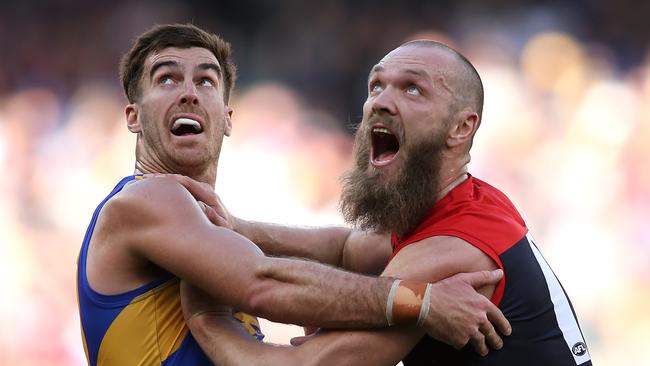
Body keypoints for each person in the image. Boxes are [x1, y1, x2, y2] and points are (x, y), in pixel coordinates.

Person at [76, 24, 511, 366]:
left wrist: (243, 229)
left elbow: (345, 248)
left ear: (227, 118)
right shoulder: (145, 201)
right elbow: (263, 284)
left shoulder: (203, 229)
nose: (189, 92)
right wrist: (421, 301)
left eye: (206, 82)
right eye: (167, 79)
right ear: (133, 116)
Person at [176, 40, 592, 365]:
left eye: (412, 88)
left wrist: (206, 321)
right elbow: (346, 248)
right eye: (376, 85)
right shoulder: (465, 202)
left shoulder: (450, 253)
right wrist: (237, 227)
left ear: (461, 128)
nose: (380, 101)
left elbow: (306, 364)